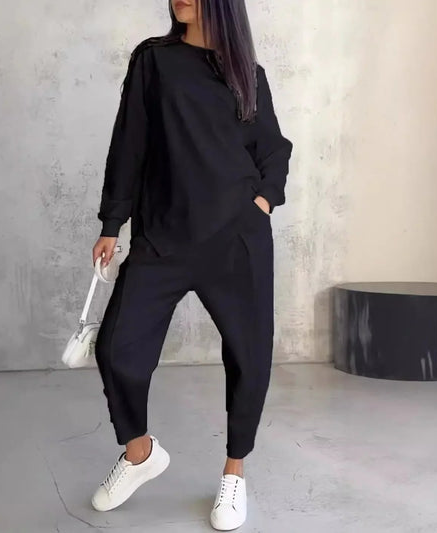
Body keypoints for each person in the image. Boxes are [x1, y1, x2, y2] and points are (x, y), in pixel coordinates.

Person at [91, 0, 293, 529]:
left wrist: (262, 203)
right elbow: (129, 142)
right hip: (163, 238)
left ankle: (234, 473)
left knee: (249, 358)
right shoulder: (154, 60)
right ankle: (140, 453)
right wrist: (113, 222)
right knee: (117, 349)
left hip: (236, 240)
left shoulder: (248, 74)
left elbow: (273, 149)